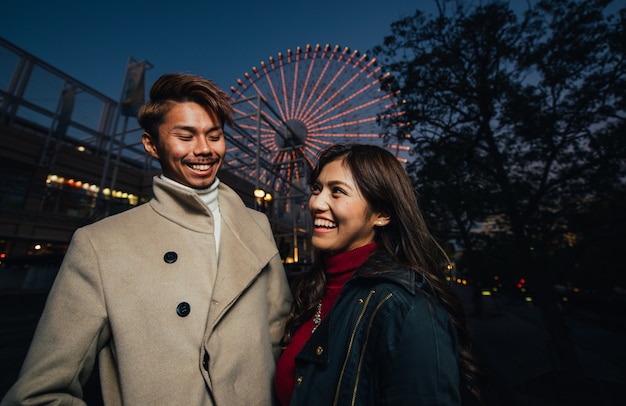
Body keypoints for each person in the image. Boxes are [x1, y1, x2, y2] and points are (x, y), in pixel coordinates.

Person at [2, 73, 292, 405]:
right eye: (185, 136)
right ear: (151, 144)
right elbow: (38, 393)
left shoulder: (256, 226)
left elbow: (278, 337)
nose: (204, 150)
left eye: (215, 136)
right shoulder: (101, 244)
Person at [274, 144, 483, 405]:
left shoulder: (405, 308)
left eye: (337, 191)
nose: (316, 203)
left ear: (382, 215)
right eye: (316, 189)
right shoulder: (311, 290)